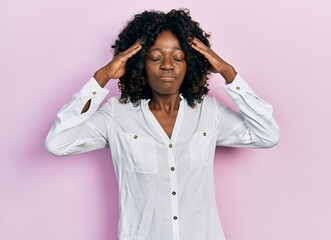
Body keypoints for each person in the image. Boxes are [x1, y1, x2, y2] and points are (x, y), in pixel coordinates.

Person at [45, 8, 280, 240]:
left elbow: (267, 134)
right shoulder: (117, 114)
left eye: (178, 57)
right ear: (140, 64)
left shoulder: (208, 112)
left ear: (191, 64)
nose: (167, 65)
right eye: (156, 57)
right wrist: (102, 77)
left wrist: (228, 72)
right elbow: (58, 143)